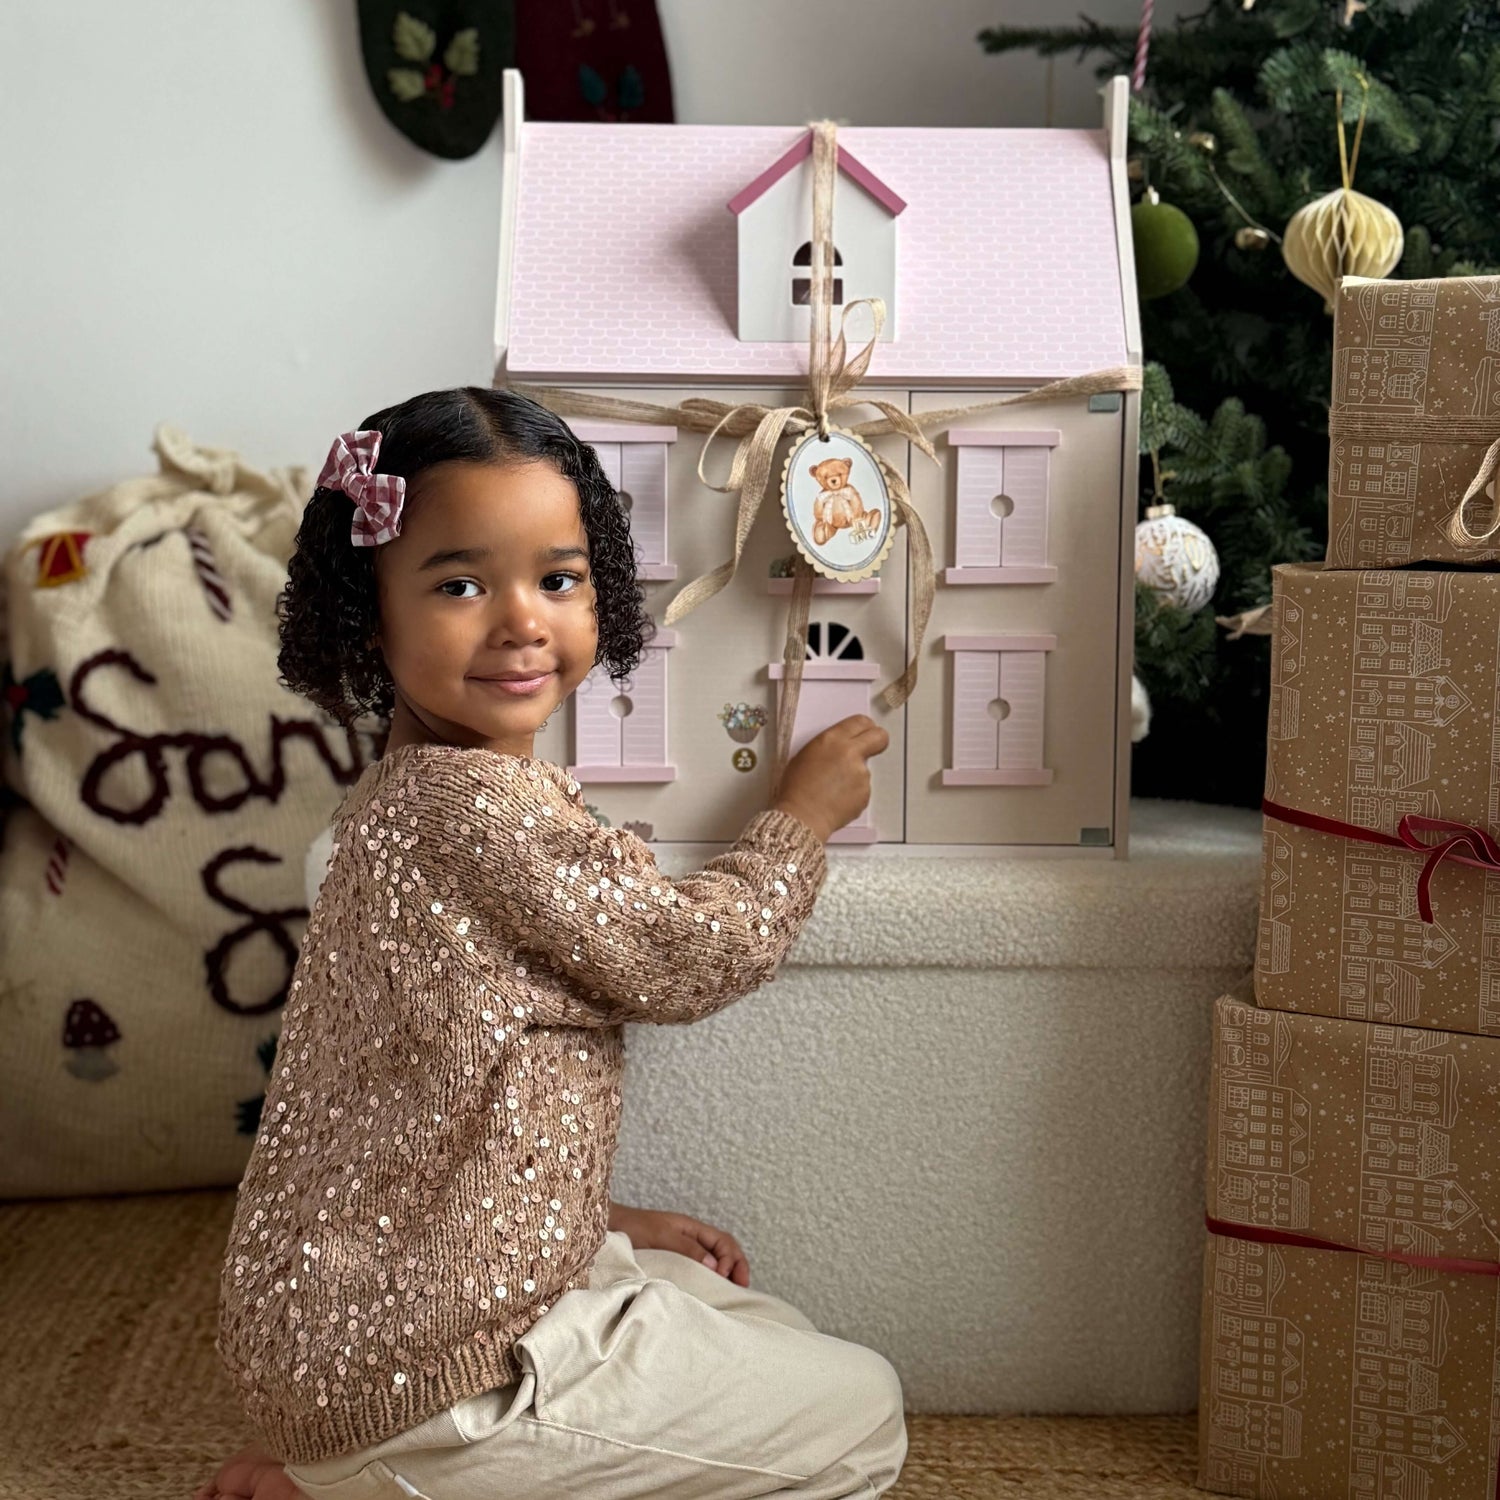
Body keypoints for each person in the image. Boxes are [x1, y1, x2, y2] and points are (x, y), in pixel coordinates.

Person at [199, 387, 903, 1500]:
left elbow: (404, 1107)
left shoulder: (390, 810)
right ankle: (374, 1475)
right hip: (422, 1373)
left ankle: (337, 1465)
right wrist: (798, 818)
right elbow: (687, 957)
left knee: (751, 1319)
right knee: (862, 1412)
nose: (522, 619)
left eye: (558, 579)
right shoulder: (476, 813)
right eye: (460, 584)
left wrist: (593, 1218)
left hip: (349, 1326)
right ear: (367, 615)